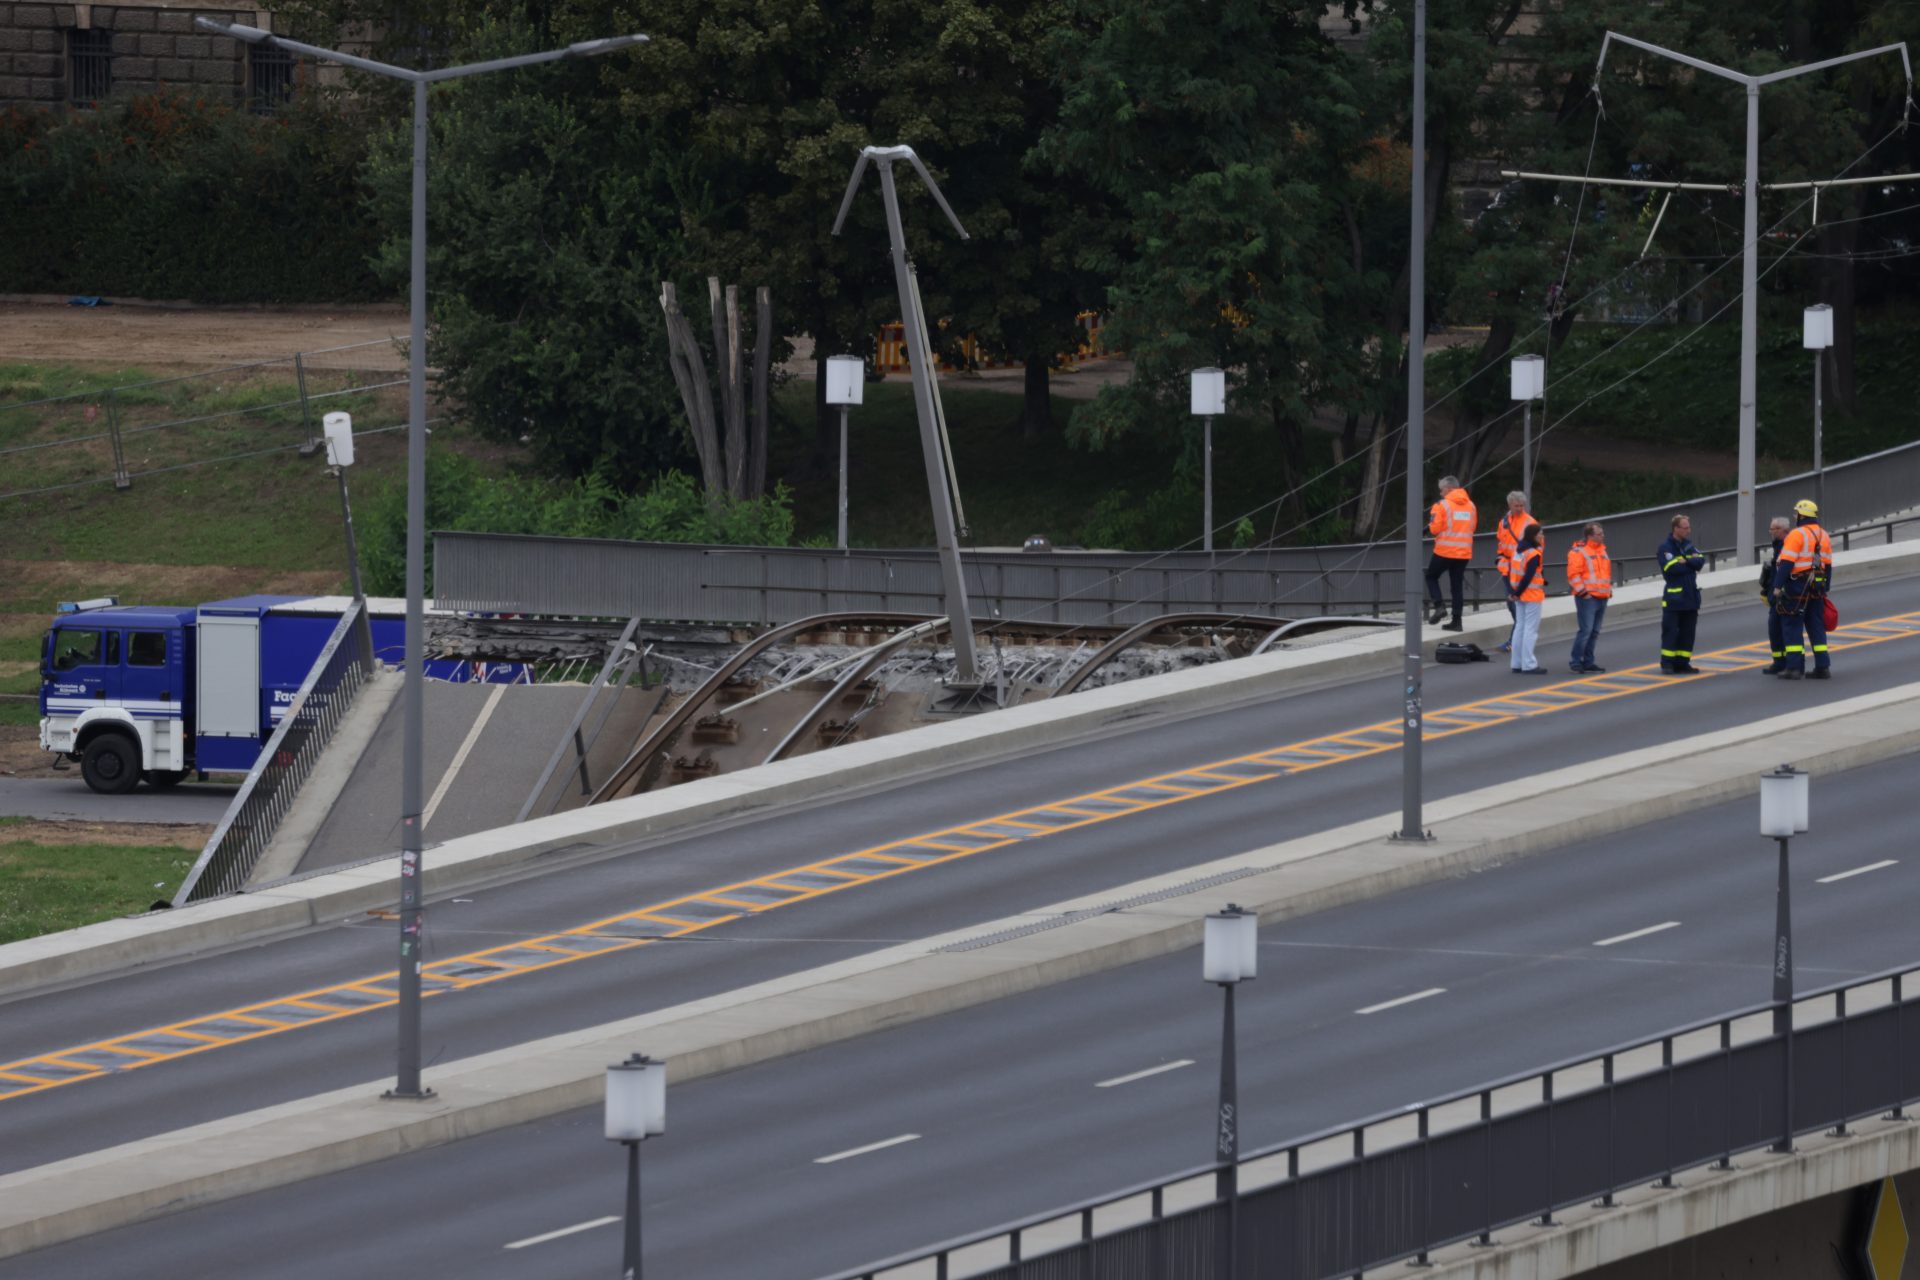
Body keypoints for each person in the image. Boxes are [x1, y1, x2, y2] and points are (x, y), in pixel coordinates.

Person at [1772, 498, 1834, 681]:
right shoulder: (1823, 534)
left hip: (1797, 586)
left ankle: (1794, 668)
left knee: (1792, 625)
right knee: (1816, 626)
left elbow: (1787, 563)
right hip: (1817, 586)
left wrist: (1777, 586)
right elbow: (1828, 565)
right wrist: (1826, 588)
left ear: (1801, 515)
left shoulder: (1797, 535)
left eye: (1796, 513)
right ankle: (1823, 667)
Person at [1424, 475, 1476, 631]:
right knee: (1456, 586)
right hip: (1464, 552)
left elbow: (1435, 529)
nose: (1440, 493)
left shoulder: (1441, 505)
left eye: (1441, 490)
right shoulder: (1471, 506)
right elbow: (1472, 527)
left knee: (1431, 576)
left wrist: (1430, 525)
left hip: (1445, 551)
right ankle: (1457, 621)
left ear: (1448, 489)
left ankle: (1439, 606)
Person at [1657, 513, 1706, 674]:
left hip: (1691, 597)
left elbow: (1700, 561)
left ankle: (1683, 662)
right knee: (1671, 632)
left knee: (1688, 633)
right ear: (1676, 529)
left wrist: (1687, 560)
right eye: (1685, 528)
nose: (1688, 531)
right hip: (1674, 598)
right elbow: (1671, 568)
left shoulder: (1688, 545)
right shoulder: (1665, 548)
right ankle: (1667, 663)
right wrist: (1690, 562)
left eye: (1689, 527)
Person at [1494, 491, 1540, 654]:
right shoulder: (1504, 522)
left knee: (1516, 604)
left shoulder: (1530, 523)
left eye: (1522, 505)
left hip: (1520, 569)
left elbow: (1538, 547)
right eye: (1517, 506)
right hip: (1507, 567)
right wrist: (1499, 558)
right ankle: (1518, 639)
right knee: (1512, 603)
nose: (1520, 508)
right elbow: (1501, 541)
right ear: (1510, 505)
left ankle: (1515, 641)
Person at [1565, 522, 1612, 673]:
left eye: (1602, 533)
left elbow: (1605, 574)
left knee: (1594, 631)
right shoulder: (1579, 551)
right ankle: (1576, 661)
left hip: (1602, 596)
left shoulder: (1602, 551)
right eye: (1599, 534)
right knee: (1586, 631)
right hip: (1588, 597)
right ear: (1590, 536)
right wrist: (1583, 592)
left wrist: (1608, 591)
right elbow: (1573, 574)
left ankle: (1588, 661)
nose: (1603, 536)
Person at [1507, 523, 1547, 675]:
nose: (1542, 537)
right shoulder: (1533, 553)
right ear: (1533, 536)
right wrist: (1518, 592)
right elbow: (1529, 576)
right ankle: (1529, 664)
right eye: (1540, 534)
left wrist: (1514, 592)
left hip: (1519, 594)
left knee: (1520, 628)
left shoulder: (1518, 551)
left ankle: (1516, 663)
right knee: (1531, 630)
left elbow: (1512, 573)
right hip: (1531, 594)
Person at [1759, 515, 1790, 675]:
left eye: (1773, 529)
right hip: (1775, 595)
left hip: (1783, 596)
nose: (1770, 532)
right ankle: (1779, 662)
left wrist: (1777, 590)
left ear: (1781, 530)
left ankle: (1787, 663)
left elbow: (1784, 570)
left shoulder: (1787, 545)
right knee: (1775, 630)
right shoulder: (1778, 545)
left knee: (1783, 630)